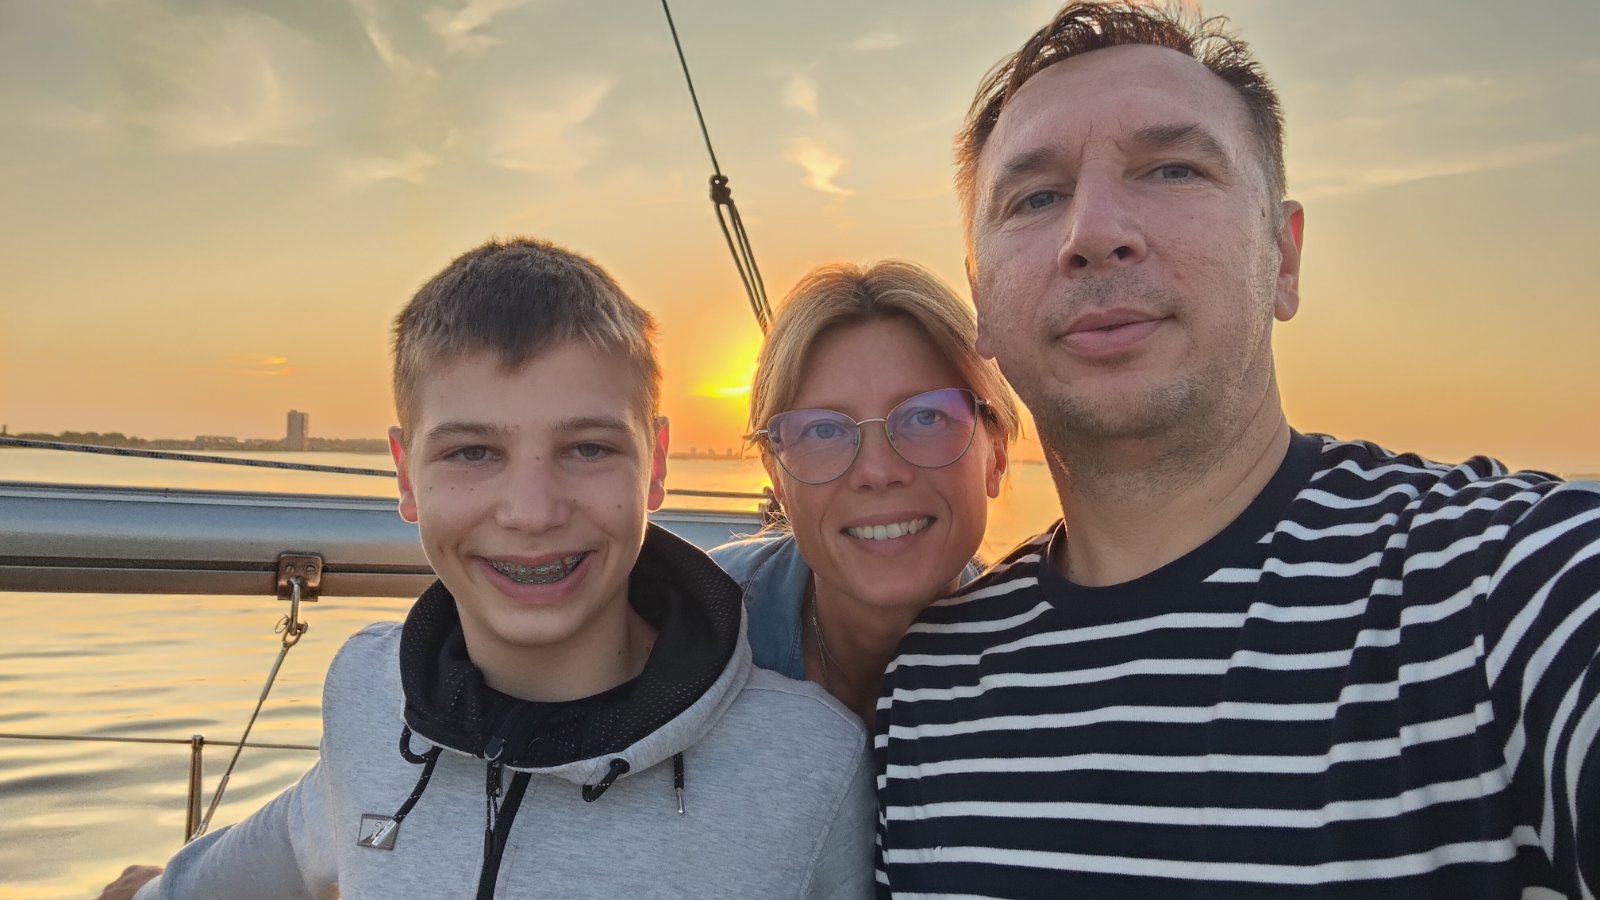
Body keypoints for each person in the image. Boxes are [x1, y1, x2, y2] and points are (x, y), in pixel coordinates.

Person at [874, 3, 1599, 898]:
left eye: (1172, 168)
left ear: (1283, 257)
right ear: (981, 300)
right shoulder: (933, 684)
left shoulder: (1505, 587)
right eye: (1035, 196)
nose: (1093, 232)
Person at [111, 238, 874, 899]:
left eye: (588, 448)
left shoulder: (808, 768)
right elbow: (300, 832)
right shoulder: (369, 698)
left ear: (655, 465)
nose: (532, 511)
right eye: (472, 452)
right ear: (407, 478)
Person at [710, 261, 1019, 725]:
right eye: (822, 430)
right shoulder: (684, 632)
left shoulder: (1045, 669)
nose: (877, 471)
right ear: (778, 479)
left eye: (926, 418)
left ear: (994, 456)